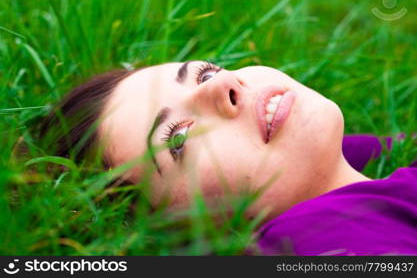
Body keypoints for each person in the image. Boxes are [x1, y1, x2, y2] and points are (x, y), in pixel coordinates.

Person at [37, 61, 417, 255]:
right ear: (184, 230)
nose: (223, 84)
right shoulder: (316, 238)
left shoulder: (366, 162)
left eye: (203, 74)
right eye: (180, 138)